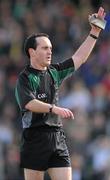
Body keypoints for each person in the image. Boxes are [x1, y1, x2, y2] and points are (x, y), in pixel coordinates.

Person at [15, 7, 106, 180]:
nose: (50, 51)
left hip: (57, 137)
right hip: (34, 139)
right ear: (31, 52)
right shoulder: (25, 78)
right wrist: (53, 109)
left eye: (50, 48)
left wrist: (94, 32)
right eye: (44, 48)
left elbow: (79, 58)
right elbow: (29, 103)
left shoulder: (54, 71)